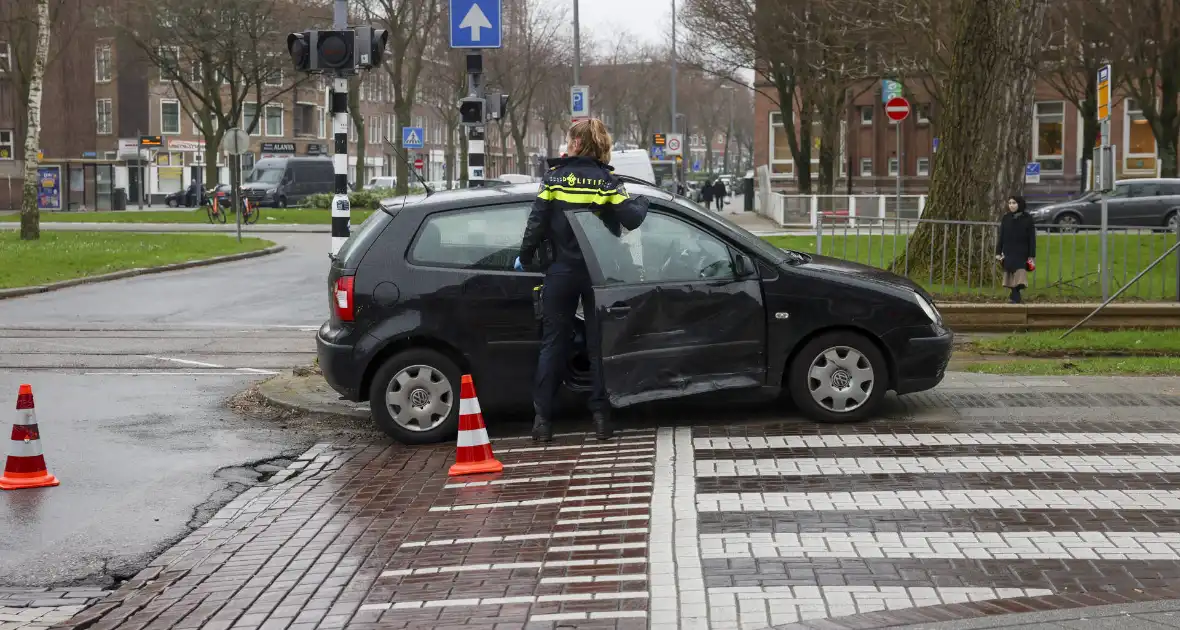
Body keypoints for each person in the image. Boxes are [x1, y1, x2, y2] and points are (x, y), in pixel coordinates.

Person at [515, 119, 649, 442]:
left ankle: (543, 422)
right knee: (597, 345)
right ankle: (601, 418)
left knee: (552, 345)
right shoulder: (606, 181)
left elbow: (536, 221)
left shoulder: (554, 178)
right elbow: (630, 218)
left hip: (560, 272)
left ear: (576, 144)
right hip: (596, 273)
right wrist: (643, 201)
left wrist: (525, 255)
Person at [996, 195, 1036, 304]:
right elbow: (1002, 236)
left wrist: (1032, 254)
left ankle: (1015, 297)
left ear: (1019, 204)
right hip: (1009, 250)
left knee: (1020, 273)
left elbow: (1032, 237)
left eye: (1014, 203)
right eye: (1009, 203)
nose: (1011, 205)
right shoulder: (1006, 218)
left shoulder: (1027, 218)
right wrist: (998, 252)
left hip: (1022, 251)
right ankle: (1015, 297)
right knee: (1010, 272)